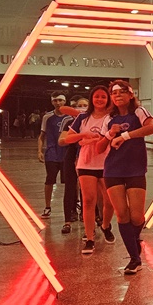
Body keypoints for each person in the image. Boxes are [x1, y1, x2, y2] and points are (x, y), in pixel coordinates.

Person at [96, 80, 153, 274]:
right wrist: (110, 134)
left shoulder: (139, 112)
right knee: (122, 214)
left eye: (122, 92)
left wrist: (125, 136)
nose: (117, 95)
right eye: (114, 93)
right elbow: (99, 148)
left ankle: (134, 239)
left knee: (137, 216)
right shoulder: (109, 118)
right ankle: (134, 259)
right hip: (113, 170)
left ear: (130, 95)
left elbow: (152, 128)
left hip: (135, 169)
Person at [60, 86, 116, 254]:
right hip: (86, 164)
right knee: (89, 200)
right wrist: (83, 136)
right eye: (96, 96)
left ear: (108, 100)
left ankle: (105, 225)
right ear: (92, 98)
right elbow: (66, 139)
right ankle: (90, 238)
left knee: (110, 201)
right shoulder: (82, 118)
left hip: (107, 164)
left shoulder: (112, 117)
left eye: (103, 97)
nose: (100, 99)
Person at [56, 97, 86, 234]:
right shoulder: (69, 122)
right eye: (80, 105)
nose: (82, 107)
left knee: (88, 189)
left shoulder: (94, 121)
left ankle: (90, 217)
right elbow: (62, 141)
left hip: (88, 157)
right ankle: (67, 221)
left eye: (85, 105)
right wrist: (77, 137)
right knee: (70, 187)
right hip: (71, 156)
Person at [38, 93, 69, 220]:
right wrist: (39, 151)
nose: (58, 103)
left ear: (65, 101)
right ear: (52, 102)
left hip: (66, 154)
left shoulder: (70, 117)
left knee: (71, 181)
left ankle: (74, 204)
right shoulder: (47, 117)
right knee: (49, 180)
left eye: (60, 100)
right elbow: (42, 136)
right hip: (52, 154)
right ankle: (47, 207)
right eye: (55, 100)